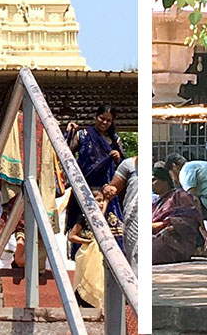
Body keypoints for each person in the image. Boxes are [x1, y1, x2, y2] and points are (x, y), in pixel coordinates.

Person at [65, 104, 125, 255]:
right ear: (95, 117)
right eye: (102, 118)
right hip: (85, 188)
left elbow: (125, 166)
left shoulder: (114, 140)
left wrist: (118, 158)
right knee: (83, 226)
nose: (104, 123)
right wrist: (70, 132)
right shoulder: (84, 134)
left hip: (107, 191)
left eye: (108, 121)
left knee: (110, 228)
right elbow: (66, 153)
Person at [152, 162, 204, 264]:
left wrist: (165, 224)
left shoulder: (179, 195)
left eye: (154, 180)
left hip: (175, 240)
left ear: (165, 181)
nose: (151, 184)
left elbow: (190, 218)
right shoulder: (155, 202)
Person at [69, 188, 108, 308]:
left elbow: (102, 210)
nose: (101, 204)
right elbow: (72, 236)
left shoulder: (99, 217)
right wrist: (87, 241)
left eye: (102, 201)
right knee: (85, 274)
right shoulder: (83, 217)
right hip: (86, 252)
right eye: (98, 201)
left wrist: (107, 199)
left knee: (97, 276)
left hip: (97, 252)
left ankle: (94, 300)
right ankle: (82, 298)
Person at [104, 155, 138, 270]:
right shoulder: (129, 165)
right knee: (134, 257)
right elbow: (112, 189)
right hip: (133, 220)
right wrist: (109, 190)